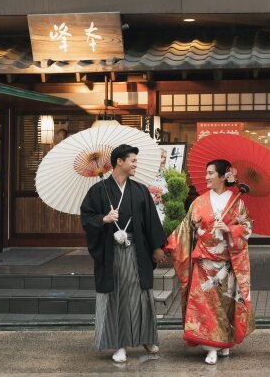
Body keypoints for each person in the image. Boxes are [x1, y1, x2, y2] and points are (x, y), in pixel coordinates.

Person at [80, 144, 167, 363]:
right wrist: (103, 219)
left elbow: (151, 221)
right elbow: (87, 216)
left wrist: (157, 247)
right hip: (112, 253)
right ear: (120, 161)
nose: (135, 164)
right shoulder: (99, 190)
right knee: (117, 296)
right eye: (133, 161)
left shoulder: (139, 190)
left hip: (137, 250)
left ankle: (146, 337)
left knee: (141, 295)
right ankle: (119, 344)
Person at [165, 159, 255, 365]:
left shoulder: (238, 201)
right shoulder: (199, 202)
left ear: (224, 176)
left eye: (211, 173)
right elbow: (185, 229)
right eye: (206, 173)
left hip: (227, 263)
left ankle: (223, 342)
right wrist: (168, 245)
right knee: (206, 306)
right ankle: (212, 347)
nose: (206, 177)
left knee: (225, 306)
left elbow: (248, 227)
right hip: (204, 262)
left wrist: (231, 229)